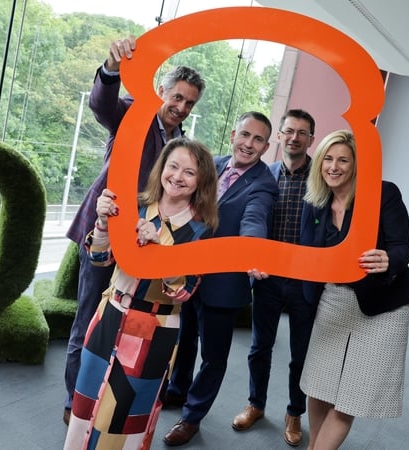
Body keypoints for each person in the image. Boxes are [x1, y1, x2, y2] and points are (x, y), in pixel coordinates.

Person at [62, 34, 206, 425]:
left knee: (126, 325)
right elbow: (101, 104)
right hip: (105, 232)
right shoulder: (132, 112)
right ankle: (75, 402)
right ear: (161, 91)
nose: (181, 107)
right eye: (177, 97)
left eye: (189, 103)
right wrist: (112, 68)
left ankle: (110, 403)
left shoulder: (182, 143)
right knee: (88, 319)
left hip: (147, 245)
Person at [63, 137, 219, 449]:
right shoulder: (133, 206)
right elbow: (99, 258)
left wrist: (161, 250)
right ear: (162, 167)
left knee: (127, 418)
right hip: (109, 314)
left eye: (189, 172)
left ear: (201, 181)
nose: (178, 176)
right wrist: (103, 222)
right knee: (85, 406)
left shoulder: (201, 231)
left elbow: (183, 292)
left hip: (155, 329)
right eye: (173, 166)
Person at [298, 129, 409, 449]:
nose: (334, 167)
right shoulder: (315, 203)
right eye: (328, 159)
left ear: (356, 165)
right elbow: (305, 255)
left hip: (383, 306)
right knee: (319, 385)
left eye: (343, 160)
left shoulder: (383, 194)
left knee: (349, 397)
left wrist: (389, 259)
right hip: (334, 300)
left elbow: (404, 246)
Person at [162, 111, 279, 446]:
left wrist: (253, 250)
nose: (249, 144)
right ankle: (177, 390)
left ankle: (192, 417)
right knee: (184, 339)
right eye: (245, 135)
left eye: (258, 139)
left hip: (223, 284)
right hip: (187, 274)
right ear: (232, 135)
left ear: (266, 146)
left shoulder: (263, 184)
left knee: (213, 356)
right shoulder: (211, 165)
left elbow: (254, 219)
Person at [231, 109, 317, 447]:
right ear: (279, 137)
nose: (295, 138)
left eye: (302, 133)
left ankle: (295, 413)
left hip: (304, 280)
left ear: (311, 139)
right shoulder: (264, 176)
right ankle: (256, 404)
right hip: (267, 278)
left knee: (301, 354)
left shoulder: (322, 178)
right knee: (259, 347)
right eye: (289, 131)